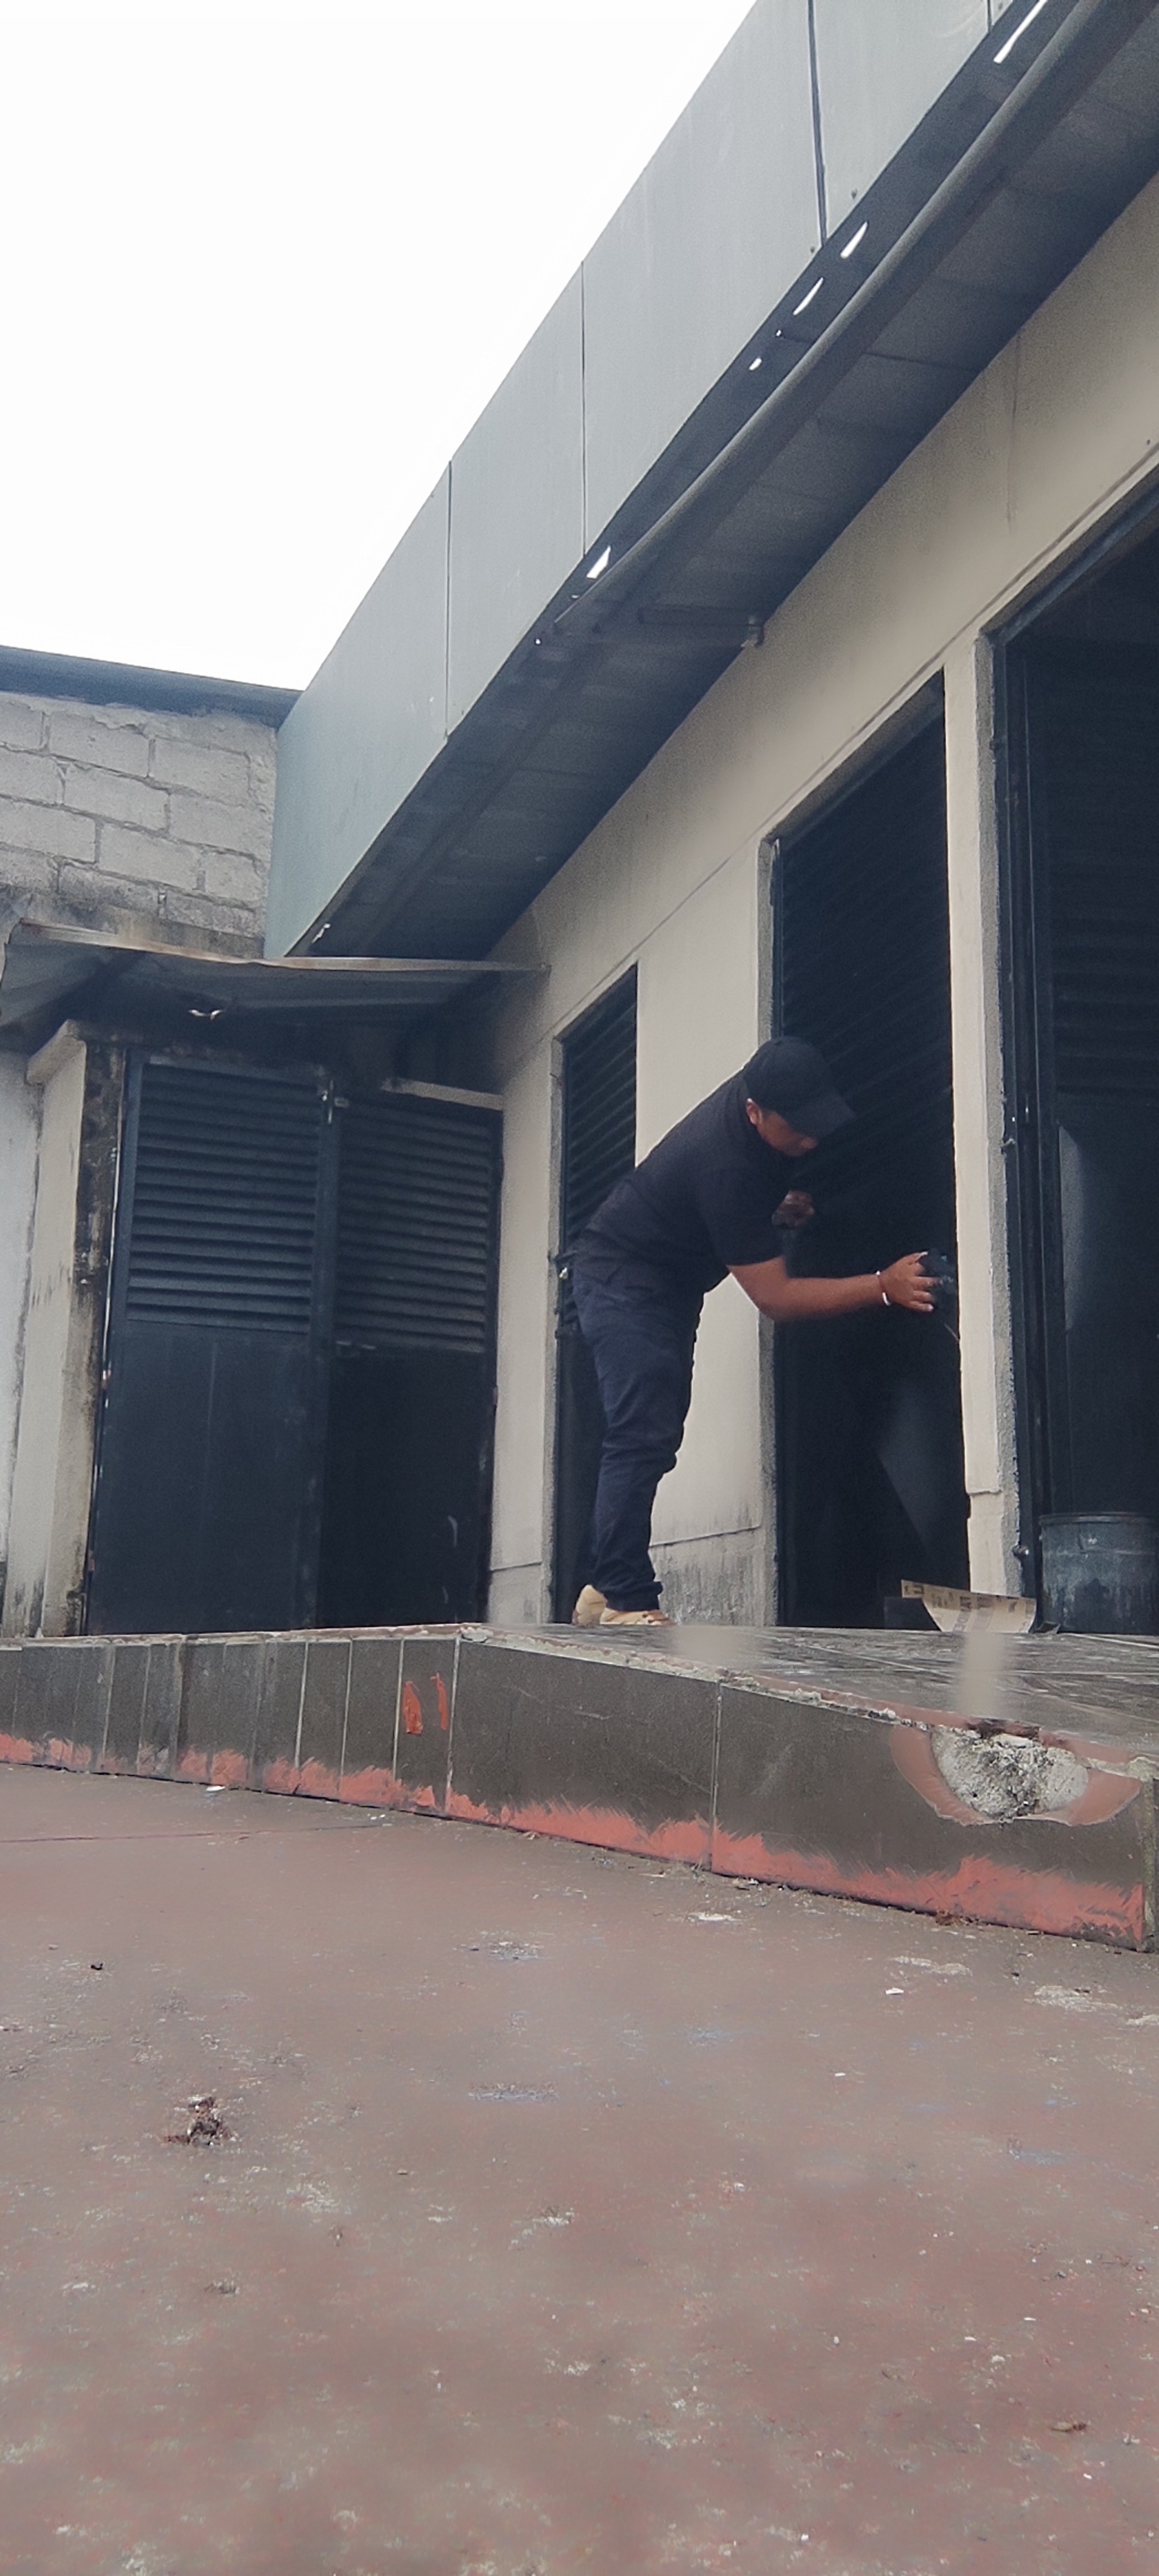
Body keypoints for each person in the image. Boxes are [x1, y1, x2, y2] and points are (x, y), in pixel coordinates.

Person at [567, 1036, 935, 1628]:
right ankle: (624, 1599)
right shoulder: (726, 1166)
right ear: (754, 1111)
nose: (811, 1140)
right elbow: (777, 1299)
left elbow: (731, 1196)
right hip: (623, 1278)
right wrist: (883, 1286)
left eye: (817, 1123)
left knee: (654, 1432)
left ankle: (601, 1589)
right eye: (798, 1129)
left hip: (666, 1283)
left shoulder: (761, 1115)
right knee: (642, 1433)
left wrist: (773, 1206)